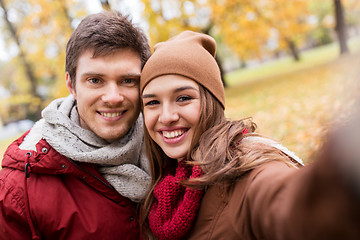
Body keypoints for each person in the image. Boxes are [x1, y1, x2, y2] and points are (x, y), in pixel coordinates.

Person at [139, 30, 360, 240]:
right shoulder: (160, 184)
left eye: (183, 98)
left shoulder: (243, 169)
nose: (166, 116)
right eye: (152, 102)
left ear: (212, 102)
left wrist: (342, 170)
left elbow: (294, 206)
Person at [0, 11, 151, 240]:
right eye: (95, 80)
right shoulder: (19, 187)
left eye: (128, 80)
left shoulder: (168, 146)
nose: (113, 97)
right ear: (71, 85)